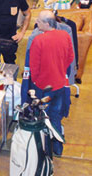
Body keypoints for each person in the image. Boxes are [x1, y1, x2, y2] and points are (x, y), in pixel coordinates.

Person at [28, 9, 75, 156]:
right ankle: (58, 147)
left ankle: (45, 152)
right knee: (56, 116)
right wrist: (59, 70)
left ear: (47, 23)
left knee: (42, 118)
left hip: (43, 88)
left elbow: (34, 67)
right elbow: (70, 58)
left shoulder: (38, 40)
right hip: (60, 85)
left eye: (39, 21)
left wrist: (35, 82)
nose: (36, 22)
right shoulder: (65, 36)